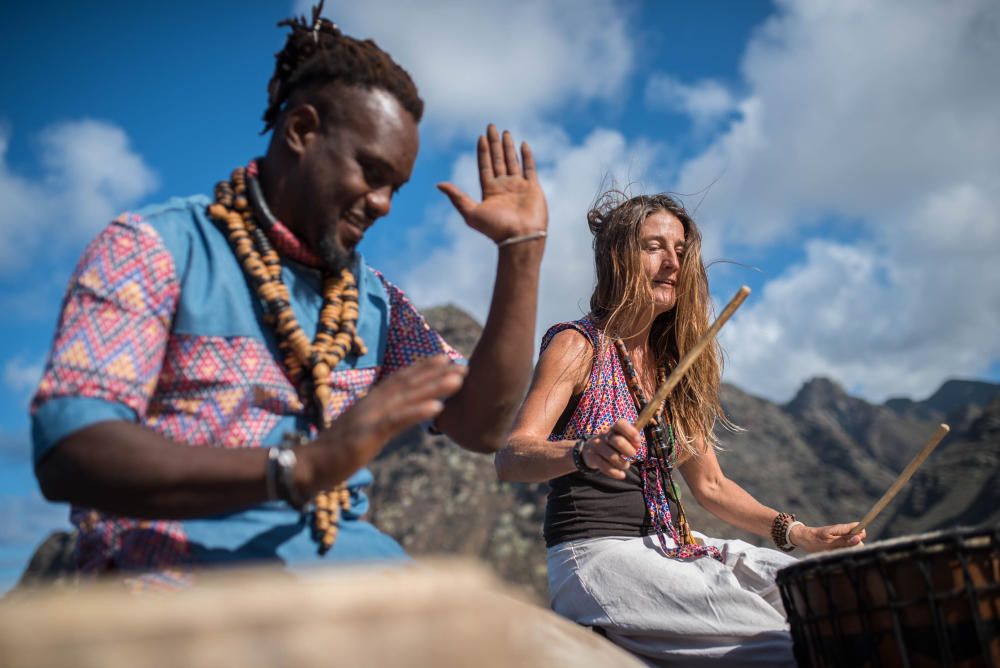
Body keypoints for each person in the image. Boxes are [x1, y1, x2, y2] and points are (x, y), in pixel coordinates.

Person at [30, 4, 547, 590]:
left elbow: (480, 427)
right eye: (370, 172)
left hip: (353, 582)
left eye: (395, 187)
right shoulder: (153, 249)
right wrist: (301, 467)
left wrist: (521, 253)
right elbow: (70, 449)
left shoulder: (375, 304)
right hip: (171, 582)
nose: (383, 204)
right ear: (301, 131)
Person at [496, 191, 864, 666]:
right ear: (617, 257)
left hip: (677, 546)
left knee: (835, 600)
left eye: (681, 251)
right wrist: (583, 451)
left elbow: (710, 485)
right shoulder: (578, 345)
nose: (672, 262)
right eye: (654, 247)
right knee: (787, 650)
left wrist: (799, 534)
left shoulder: (674, 368)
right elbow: (512, 456)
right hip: (598, 556)